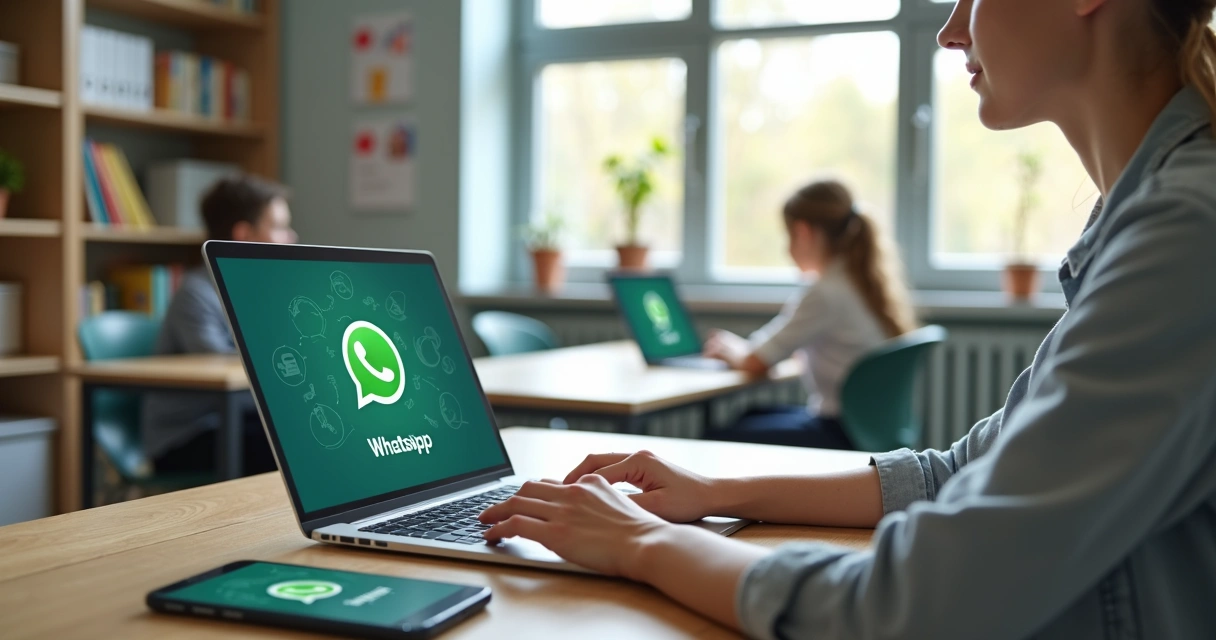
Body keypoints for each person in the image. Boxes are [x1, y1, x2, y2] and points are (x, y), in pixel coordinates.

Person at [478, 0, 1216, 637]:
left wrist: (639, 542)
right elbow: (957, 472)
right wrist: (714, 490)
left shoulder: (1182, 233)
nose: (950, 31)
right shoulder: (1148, 223)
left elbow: (907, 609)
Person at [702, 180, 916, 449]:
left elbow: (757, 361)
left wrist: (732, 350)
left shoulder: (825, 292)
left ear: (802, 232)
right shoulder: (860, 282)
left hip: (841, 433)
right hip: (864, 428)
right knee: (751, 415)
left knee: (716, 440)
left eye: (788, 236)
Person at [142, 174, 297, 475]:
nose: (292, 236)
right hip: (188, 436)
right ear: (243, 233)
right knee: (292, 450)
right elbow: (225, 371)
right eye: (279, 227)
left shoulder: (264, 294)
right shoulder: (196, 293)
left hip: (238, 421)